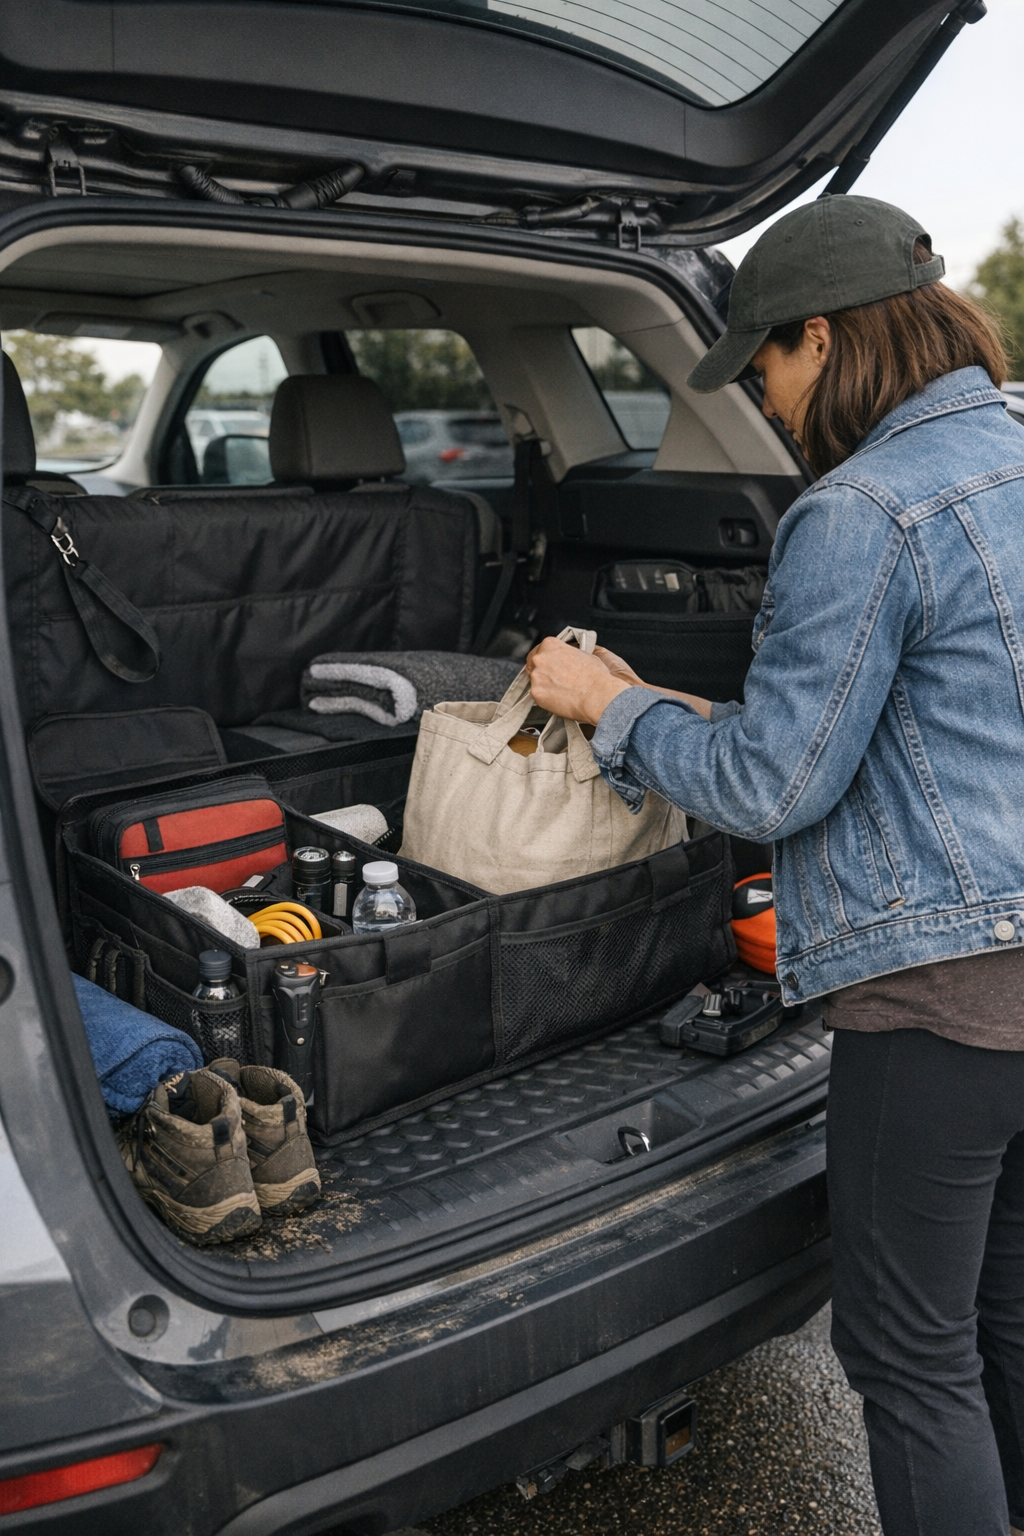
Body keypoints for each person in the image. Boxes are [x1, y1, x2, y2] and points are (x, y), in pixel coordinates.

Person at [526, 194, 1024, 1536]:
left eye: (766, 367)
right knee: (1006, 1317)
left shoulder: (863, 509)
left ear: (826, 337)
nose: (768, 400)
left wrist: (606, 711)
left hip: (948, 998)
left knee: (910, 1359)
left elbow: (775, 782)